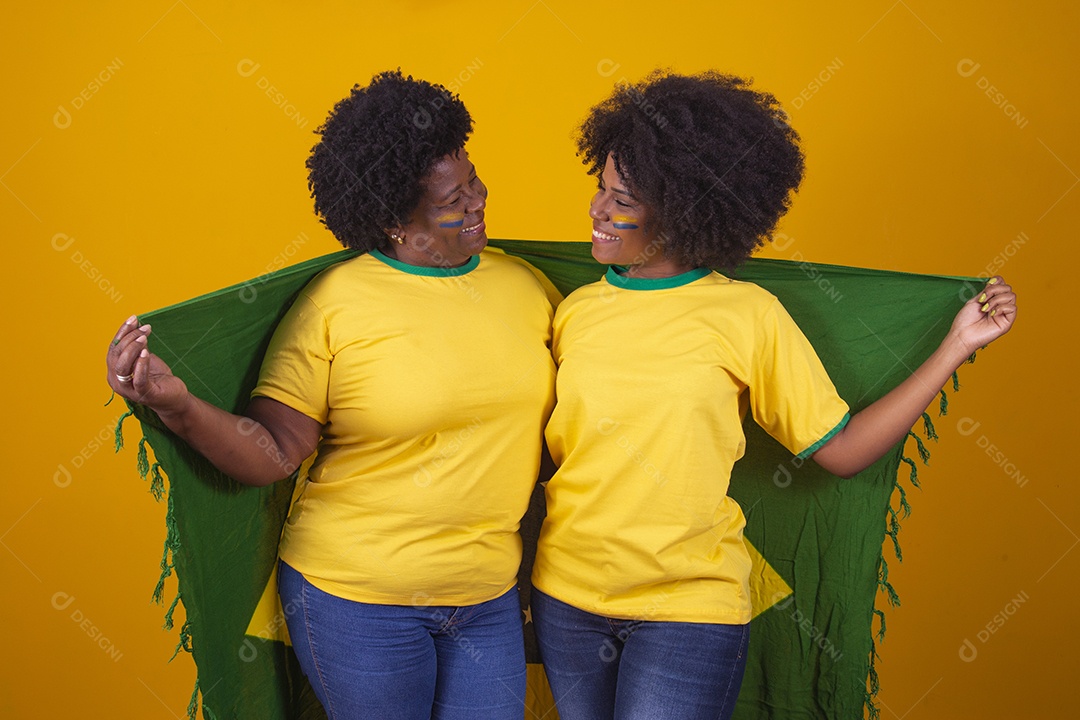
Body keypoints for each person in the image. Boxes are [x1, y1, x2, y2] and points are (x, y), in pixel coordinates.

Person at [530, 70, 1017, 720]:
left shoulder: (746, 315)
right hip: (567, 600)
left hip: (688, 610)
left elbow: (841, 451)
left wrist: (955, 344)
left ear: (682, 212)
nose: (596, 209)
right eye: (599, 187)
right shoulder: (575, 311)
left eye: (620, 198)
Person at [106, 71, 557, 720]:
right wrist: (175, 403)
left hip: (485, 599)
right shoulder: (335, 306)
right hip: (357, 598)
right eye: (454, 196)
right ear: (398, 221)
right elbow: (274, 451)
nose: (479, 198)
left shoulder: (526, 285)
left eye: (475, 178)